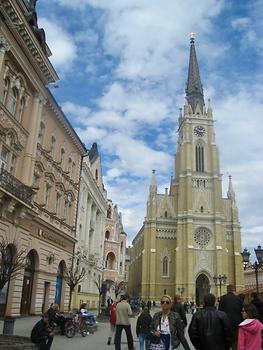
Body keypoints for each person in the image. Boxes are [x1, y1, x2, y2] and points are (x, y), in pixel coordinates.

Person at [219, 284, 243, 350]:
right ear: (234, 290)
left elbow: (220, 311)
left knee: (225, 342)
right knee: (235, 342)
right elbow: (242, 311)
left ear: (227, 290)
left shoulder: (223, 298)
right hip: (236, 324)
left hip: (225, 324)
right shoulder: (239, 299)